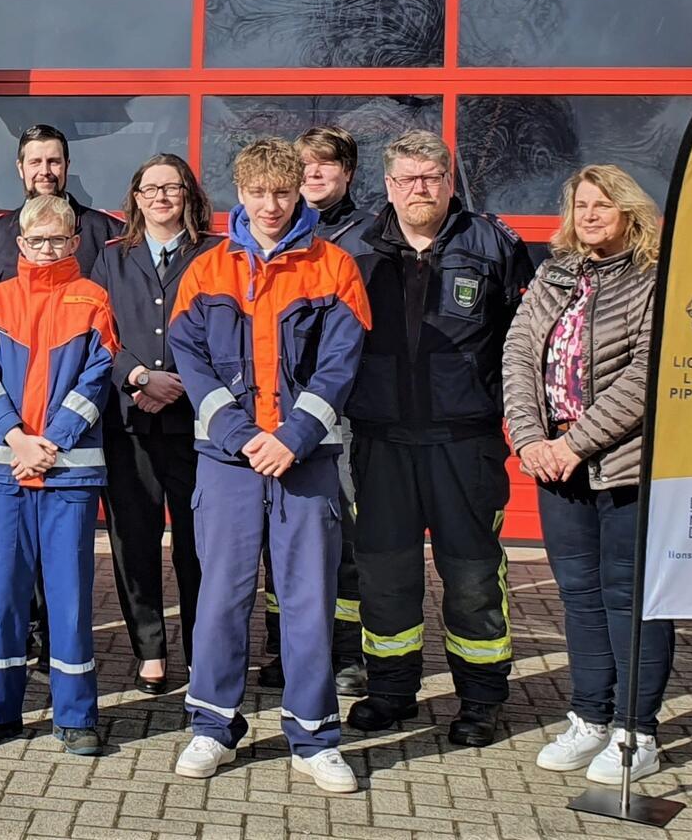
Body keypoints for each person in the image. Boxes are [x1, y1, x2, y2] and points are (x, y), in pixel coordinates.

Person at [169, 138, 369, 794]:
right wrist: (236, 430)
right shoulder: (207, 268)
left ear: (298, 192)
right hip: (226, 459)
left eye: (282, 192)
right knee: (220, 596)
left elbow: (341, 362)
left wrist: (295, 434)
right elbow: (190, 358)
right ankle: (212, 727)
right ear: (241, 193)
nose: (271, 204)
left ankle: (314, 737)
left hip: (306, 459)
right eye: (258, 192)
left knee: (310, 599)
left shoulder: (335, 265)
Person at [340, 130, 532, 746]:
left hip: (464, 442)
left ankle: (480, 700)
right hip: (380, 441)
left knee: (473, 575)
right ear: (388, 186)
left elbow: (524, 346)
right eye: (407, 179)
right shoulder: (354, 249)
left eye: (431, 177)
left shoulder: (494, 245)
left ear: (450, 180)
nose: (420, 188)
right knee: (384, 575)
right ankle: (391, 692)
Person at [504, 165, 670, 783]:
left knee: (631, 601)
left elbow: (647, 377)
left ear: (630, 211)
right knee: (578, 598)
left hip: (623, 466)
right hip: (556, 469)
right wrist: (529, 439)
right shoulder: (555, 273)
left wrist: (575, 443)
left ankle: (636, 730)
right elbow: (518, 352)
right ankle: (590, 717)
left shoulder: (655, 279)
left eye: (603, 204)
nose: (591, 215)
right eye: (581, 205)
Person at [0, 194, 118, 753]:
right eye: (37, 240)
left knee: (70, 597)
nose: (48, 249)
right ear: (20, 243)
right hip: (7, 471)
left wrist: (49, 443)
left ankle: (75, 718)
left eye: (59, 239)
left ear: (75, 243)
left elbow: (98, 380)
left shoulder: (94, 299)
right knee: (1, 594)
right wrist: (17, 436)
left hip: (68, 476)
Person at [90, 154, 219, 696]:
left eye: (173, 187)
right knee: (134, 540)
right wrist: (139, 377)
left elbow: (228, 328)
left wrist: (183, 382)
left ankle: (200, 650)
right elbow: (96, 331)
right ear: (136, 199)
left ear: (189, 195)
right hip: (130, 425)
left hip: (198, 426)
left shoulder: (216, 254)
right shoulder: (111, 257)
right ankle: (150, 650)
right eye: (151, 189)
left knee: (200, 545)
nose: (162, 197)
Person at [261, 125, 371, 694]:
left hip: (338, 415)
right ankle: (283, 648)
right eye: (303, 166)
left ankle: (346, 654)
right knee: (279, 536)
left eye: (326, 164)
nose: (313, 174)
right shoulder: (273, 236)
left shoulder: (368, 237)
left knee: (340, 538)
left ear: (348, 172)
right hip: (274, 412)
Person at [0, 124, 117, 315]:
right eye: (35, 162)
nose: (45, 171)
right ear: (20, 168)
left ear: (67, 165)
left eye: (54, 161)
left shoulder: (108, 234)